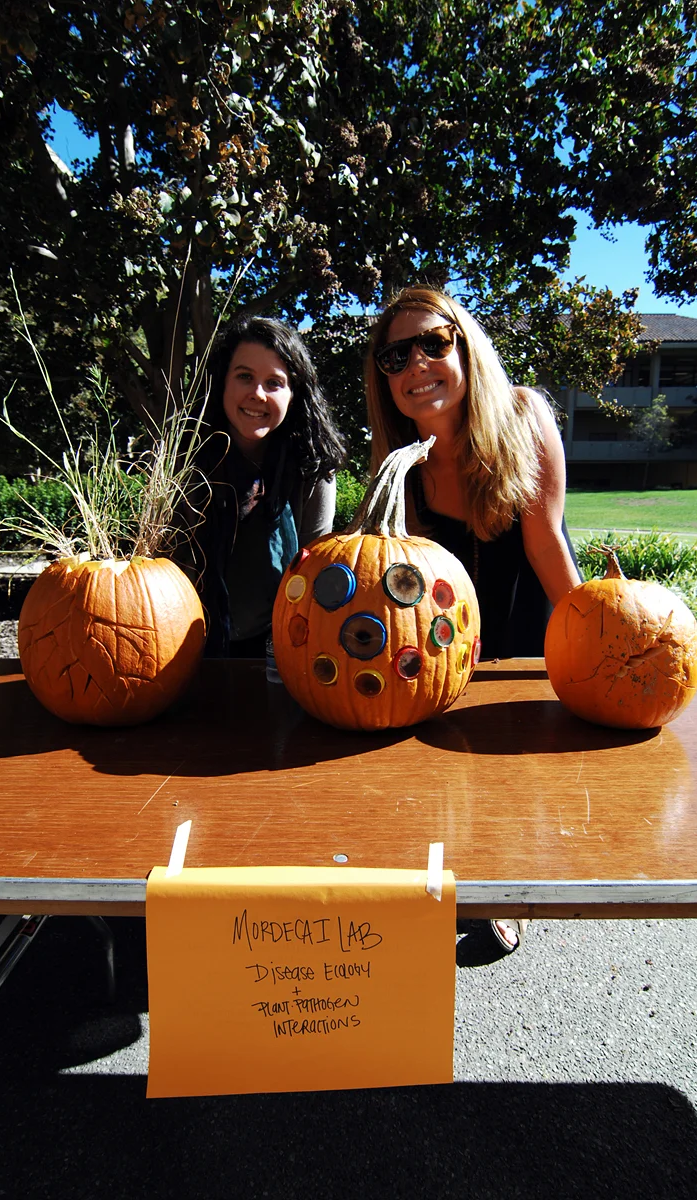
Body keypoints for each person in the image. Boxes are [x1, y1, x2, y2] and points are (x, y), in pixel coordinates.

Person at [366, 285, 582, 953]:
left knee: (513, 768)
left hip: (521, 615)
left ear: (465, 347)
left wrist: (589, 650)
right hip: (442, 634)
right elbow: (387, 573)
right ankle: (439, 877)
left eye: (433, 343)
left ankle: (502, 887)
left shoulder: (522, 416)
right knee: (438, 770)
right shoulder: (398, 460)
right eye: (395, 357)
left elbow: (545, 544)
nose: (415, 367)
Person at [176, 315, 346, 658]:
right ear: (221, 382)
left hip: (285, 649)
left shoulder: (313, 469)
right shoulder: (183, 468)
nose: (257, 394)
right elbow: (170, 577)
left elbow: (314, 571)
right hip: (189, 649)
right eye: (244, 377)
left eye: (274, 383)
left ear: (294, 395)